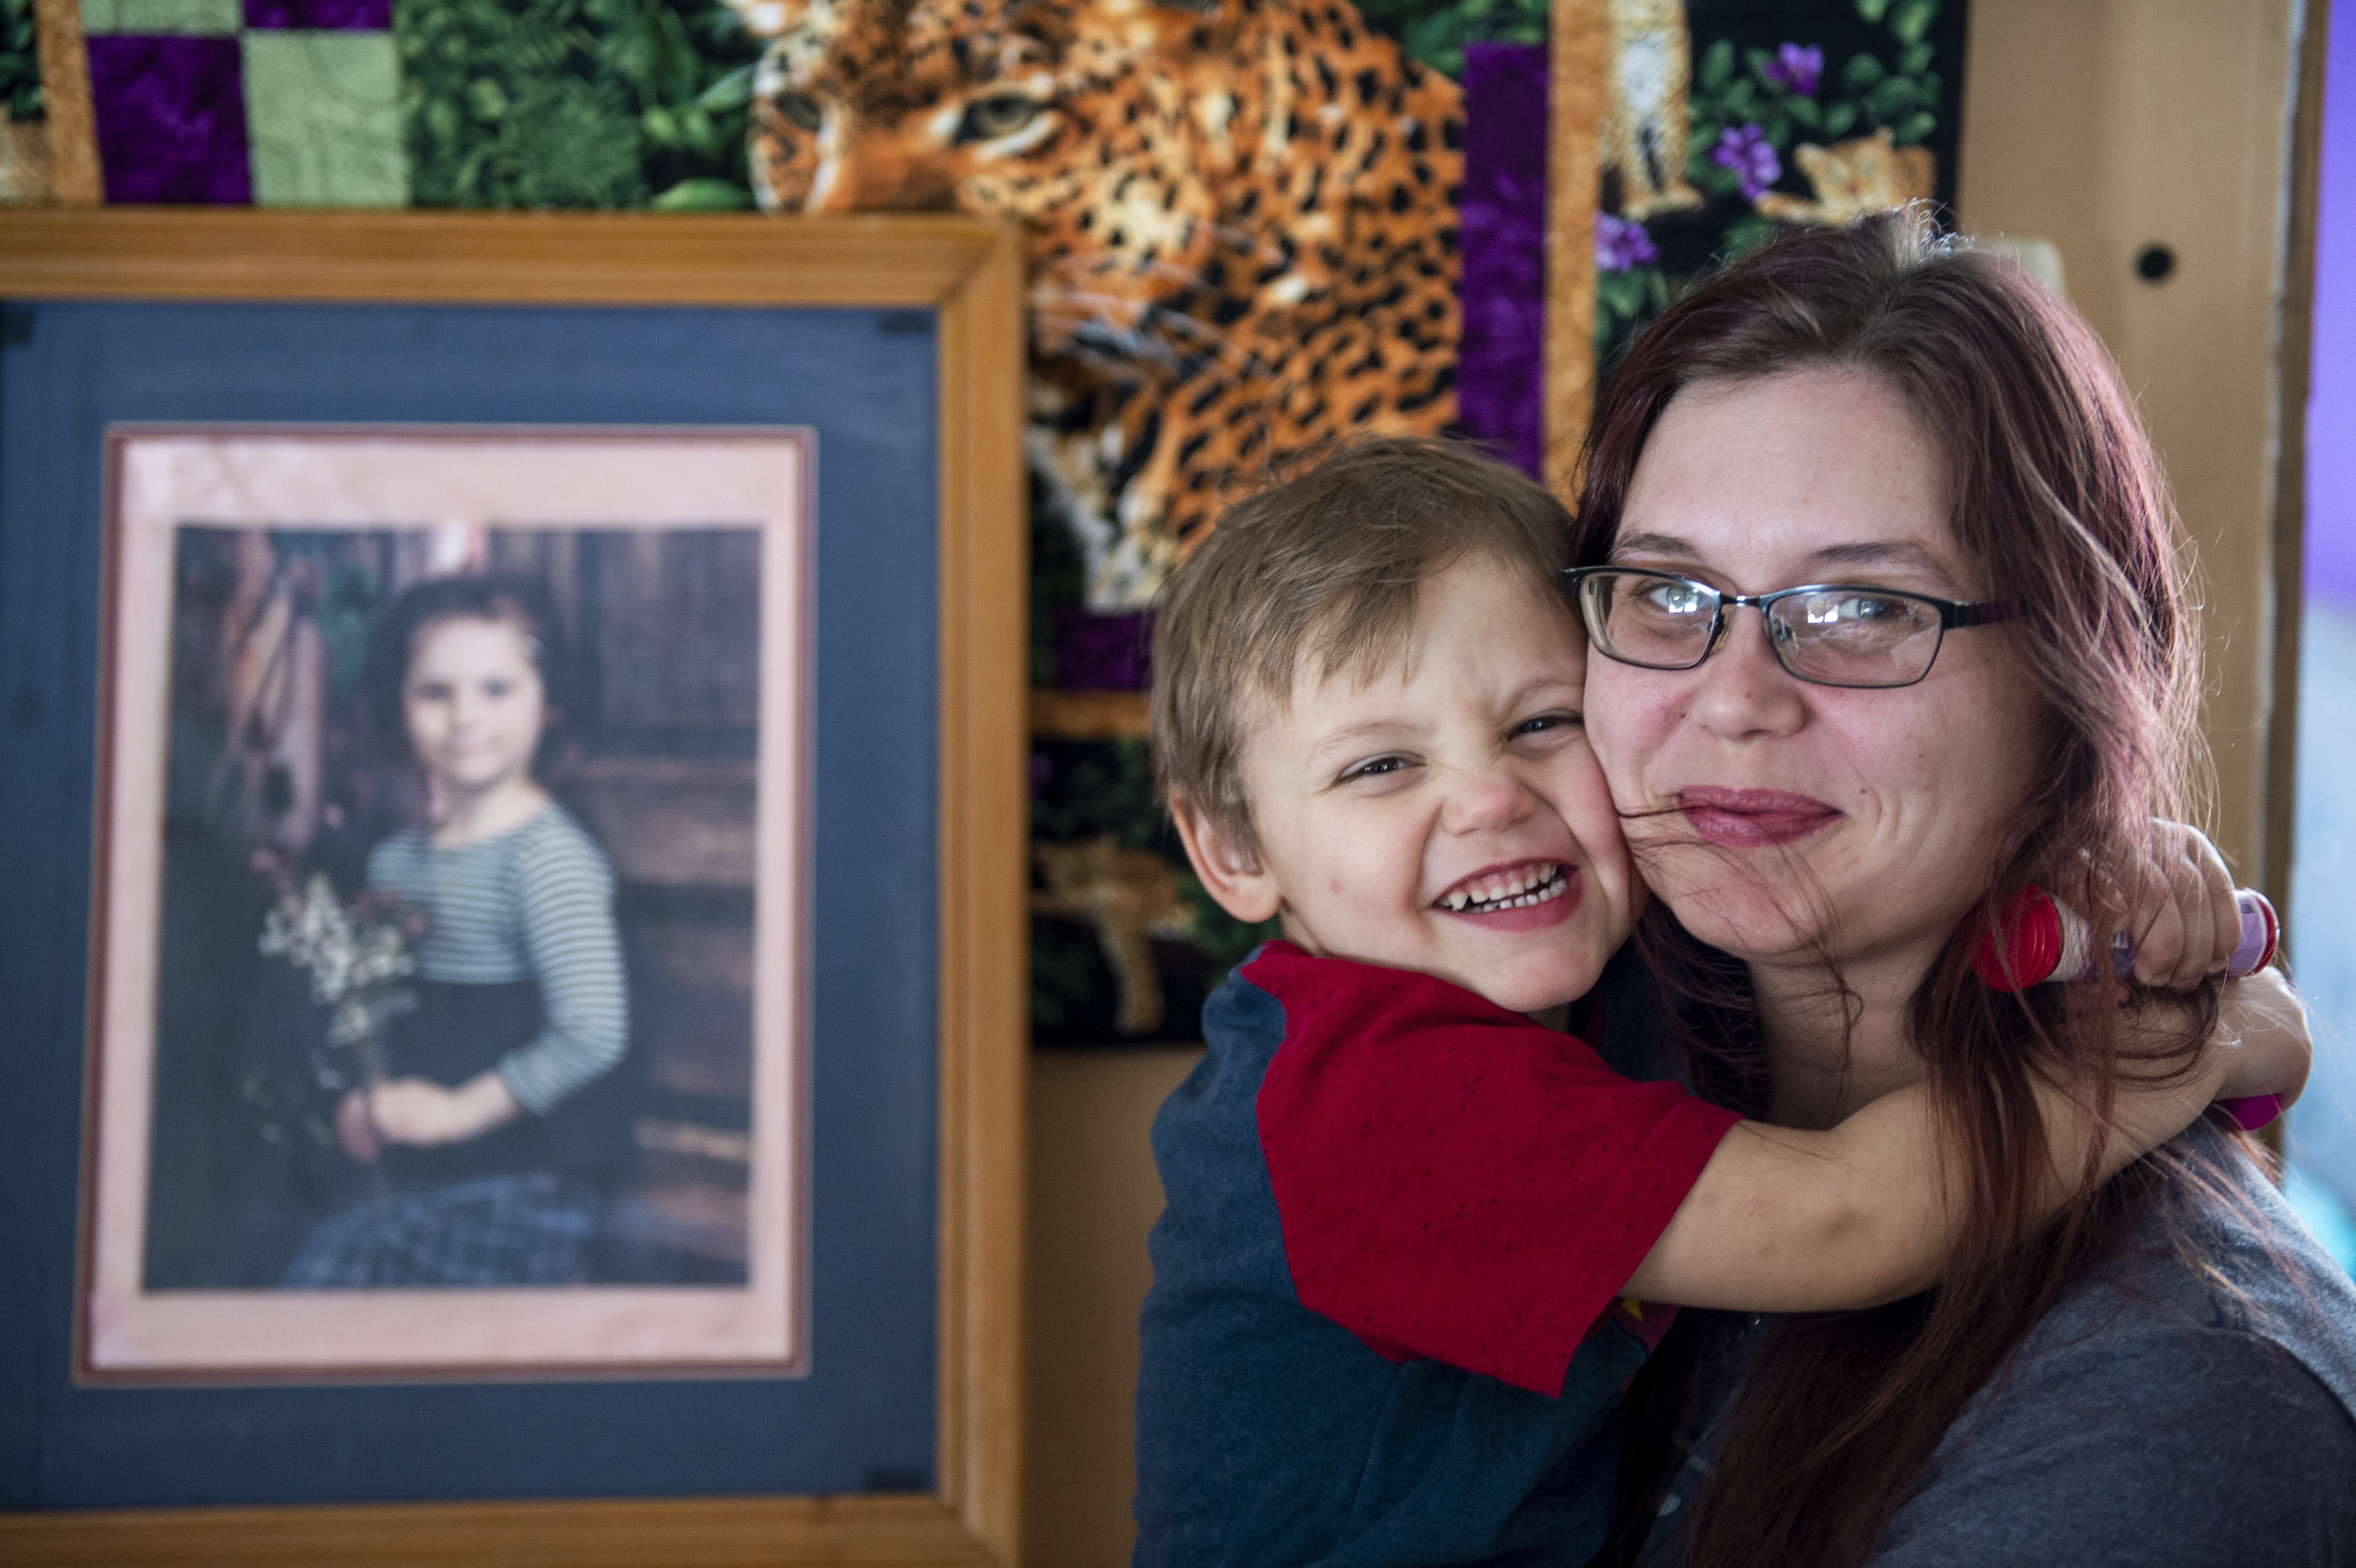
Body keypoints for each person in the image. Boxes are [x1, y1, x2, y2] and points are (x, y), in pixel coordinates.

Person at [1129, 437, 2303, 1566]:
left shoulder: (1611, 962)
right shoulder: (1371, 1103)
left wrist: (2127, 886)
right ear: (1231, 849)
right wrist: (2169, 1044)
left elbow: (1941, 925)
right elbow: (1845, 1216)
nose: (1490, 800)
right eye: (1380, 766)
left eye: (1543, 723)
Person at [1554, 210, 2356, 1566]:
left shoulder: (2178, 1404)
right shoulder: (1544, 1084)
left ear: (2071, 676)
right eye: (1667, 592)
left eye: (1863, 608)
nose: (1733, 701)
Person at [280, 575, 631, 1288]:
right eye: (434, 693)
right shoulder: (396, 859)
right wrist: (369, 1102)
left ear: (551, 703)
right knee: (314, 1280)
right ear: (398, 708)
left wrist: (454, 1115)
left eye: (497, 690)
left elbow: (594, 1031)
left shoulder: (547, 858)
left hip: (525, 1176)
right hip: (419, 1174)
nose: (465, 717)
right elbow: (383, 1012)